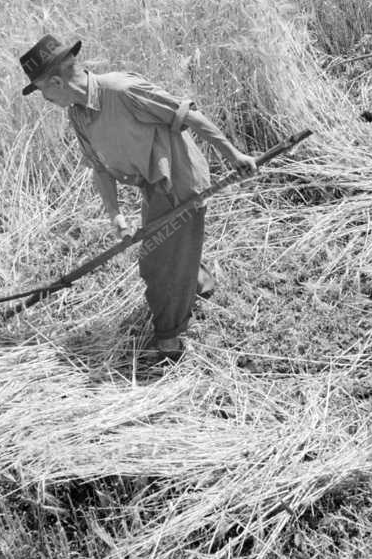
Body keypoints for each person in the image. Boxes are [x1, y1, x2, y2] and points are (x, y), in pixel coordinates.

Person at [18, 34, 257, 361]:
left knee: (157, 263)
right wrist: (116, 215)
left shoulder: (121, 90)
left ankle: (169, 339)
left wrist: (234, 156)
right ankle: (201, 286)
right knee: (169, 249)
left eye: (42, 89)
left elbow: (188, 115)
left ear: (57, 81)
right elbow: (99, 168)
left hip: (179, 179)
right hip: (154, 185)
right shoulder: (78, 114)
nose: (44, 98)